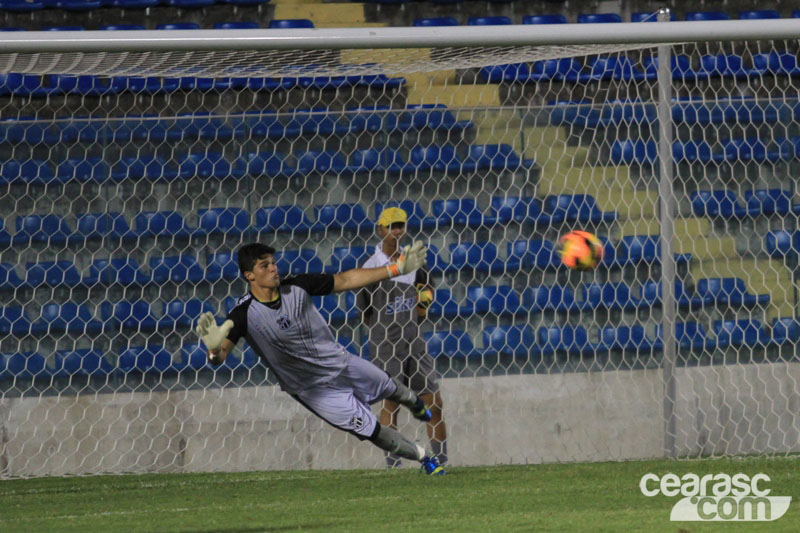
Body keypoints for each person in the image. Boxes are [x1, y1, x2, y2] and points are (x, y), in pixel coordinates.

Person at [195, 241, 445, 475]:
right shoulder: (243, 314)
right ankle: (425, 458)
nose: (273, 268)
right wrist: (214, 350)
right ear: (249, 275)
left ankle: (415, 403)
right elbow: (220, 356)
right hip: (314, 390)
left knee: (394, 390)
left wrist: (397, 268)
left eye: (273, 262)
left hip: (341, 363)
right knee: (373, 431)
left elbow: (346, 279)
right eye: (265, 265)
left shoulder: (297, 286)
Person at [358, 207, 448, 469]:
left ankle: (441, 461)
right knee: (392, 403)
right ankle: (393, 466)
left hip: (415, 342)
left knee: (435, 402)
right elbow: (365, 311)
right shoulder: (371, 267)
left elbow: (427, 291)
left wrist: (418, 314)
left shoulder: (413, 261)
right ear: (380, 229)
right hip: (386, 344)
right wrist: (387, 329)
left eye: (400, 225)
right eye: (391, 226)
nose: (396, 230)